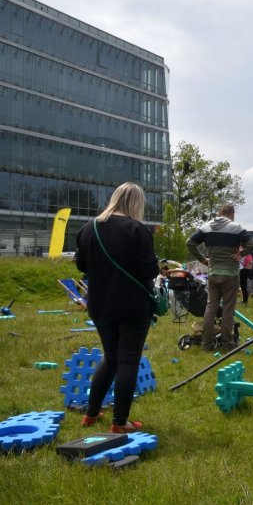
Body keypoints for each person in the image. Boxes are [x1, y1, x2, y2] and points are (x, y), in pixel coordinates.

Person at [76, 182, 158, 433]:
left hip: (100, 304)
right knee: (128, 362)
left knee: (110, 358)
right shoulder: (137, 230)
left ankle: (91, 414)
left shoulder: (88, 228)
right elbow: (150, 270)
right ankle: (120, 422)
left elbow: (81, 266)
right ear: (136, 203)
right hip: (133, 306)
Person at [186, 204, 253, 351]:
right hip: (230, 274)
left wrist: (203, 259)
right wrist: (241, 254)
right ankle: (227, 343)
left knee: (210, 308)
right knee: (228, 309)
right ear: (231, 214)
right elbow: (252, 243)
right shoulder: (235, 227)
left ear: (220, 213)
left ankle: (206, 344)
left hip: (213, 273)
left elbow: (190, 242)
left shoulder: (206, 227)